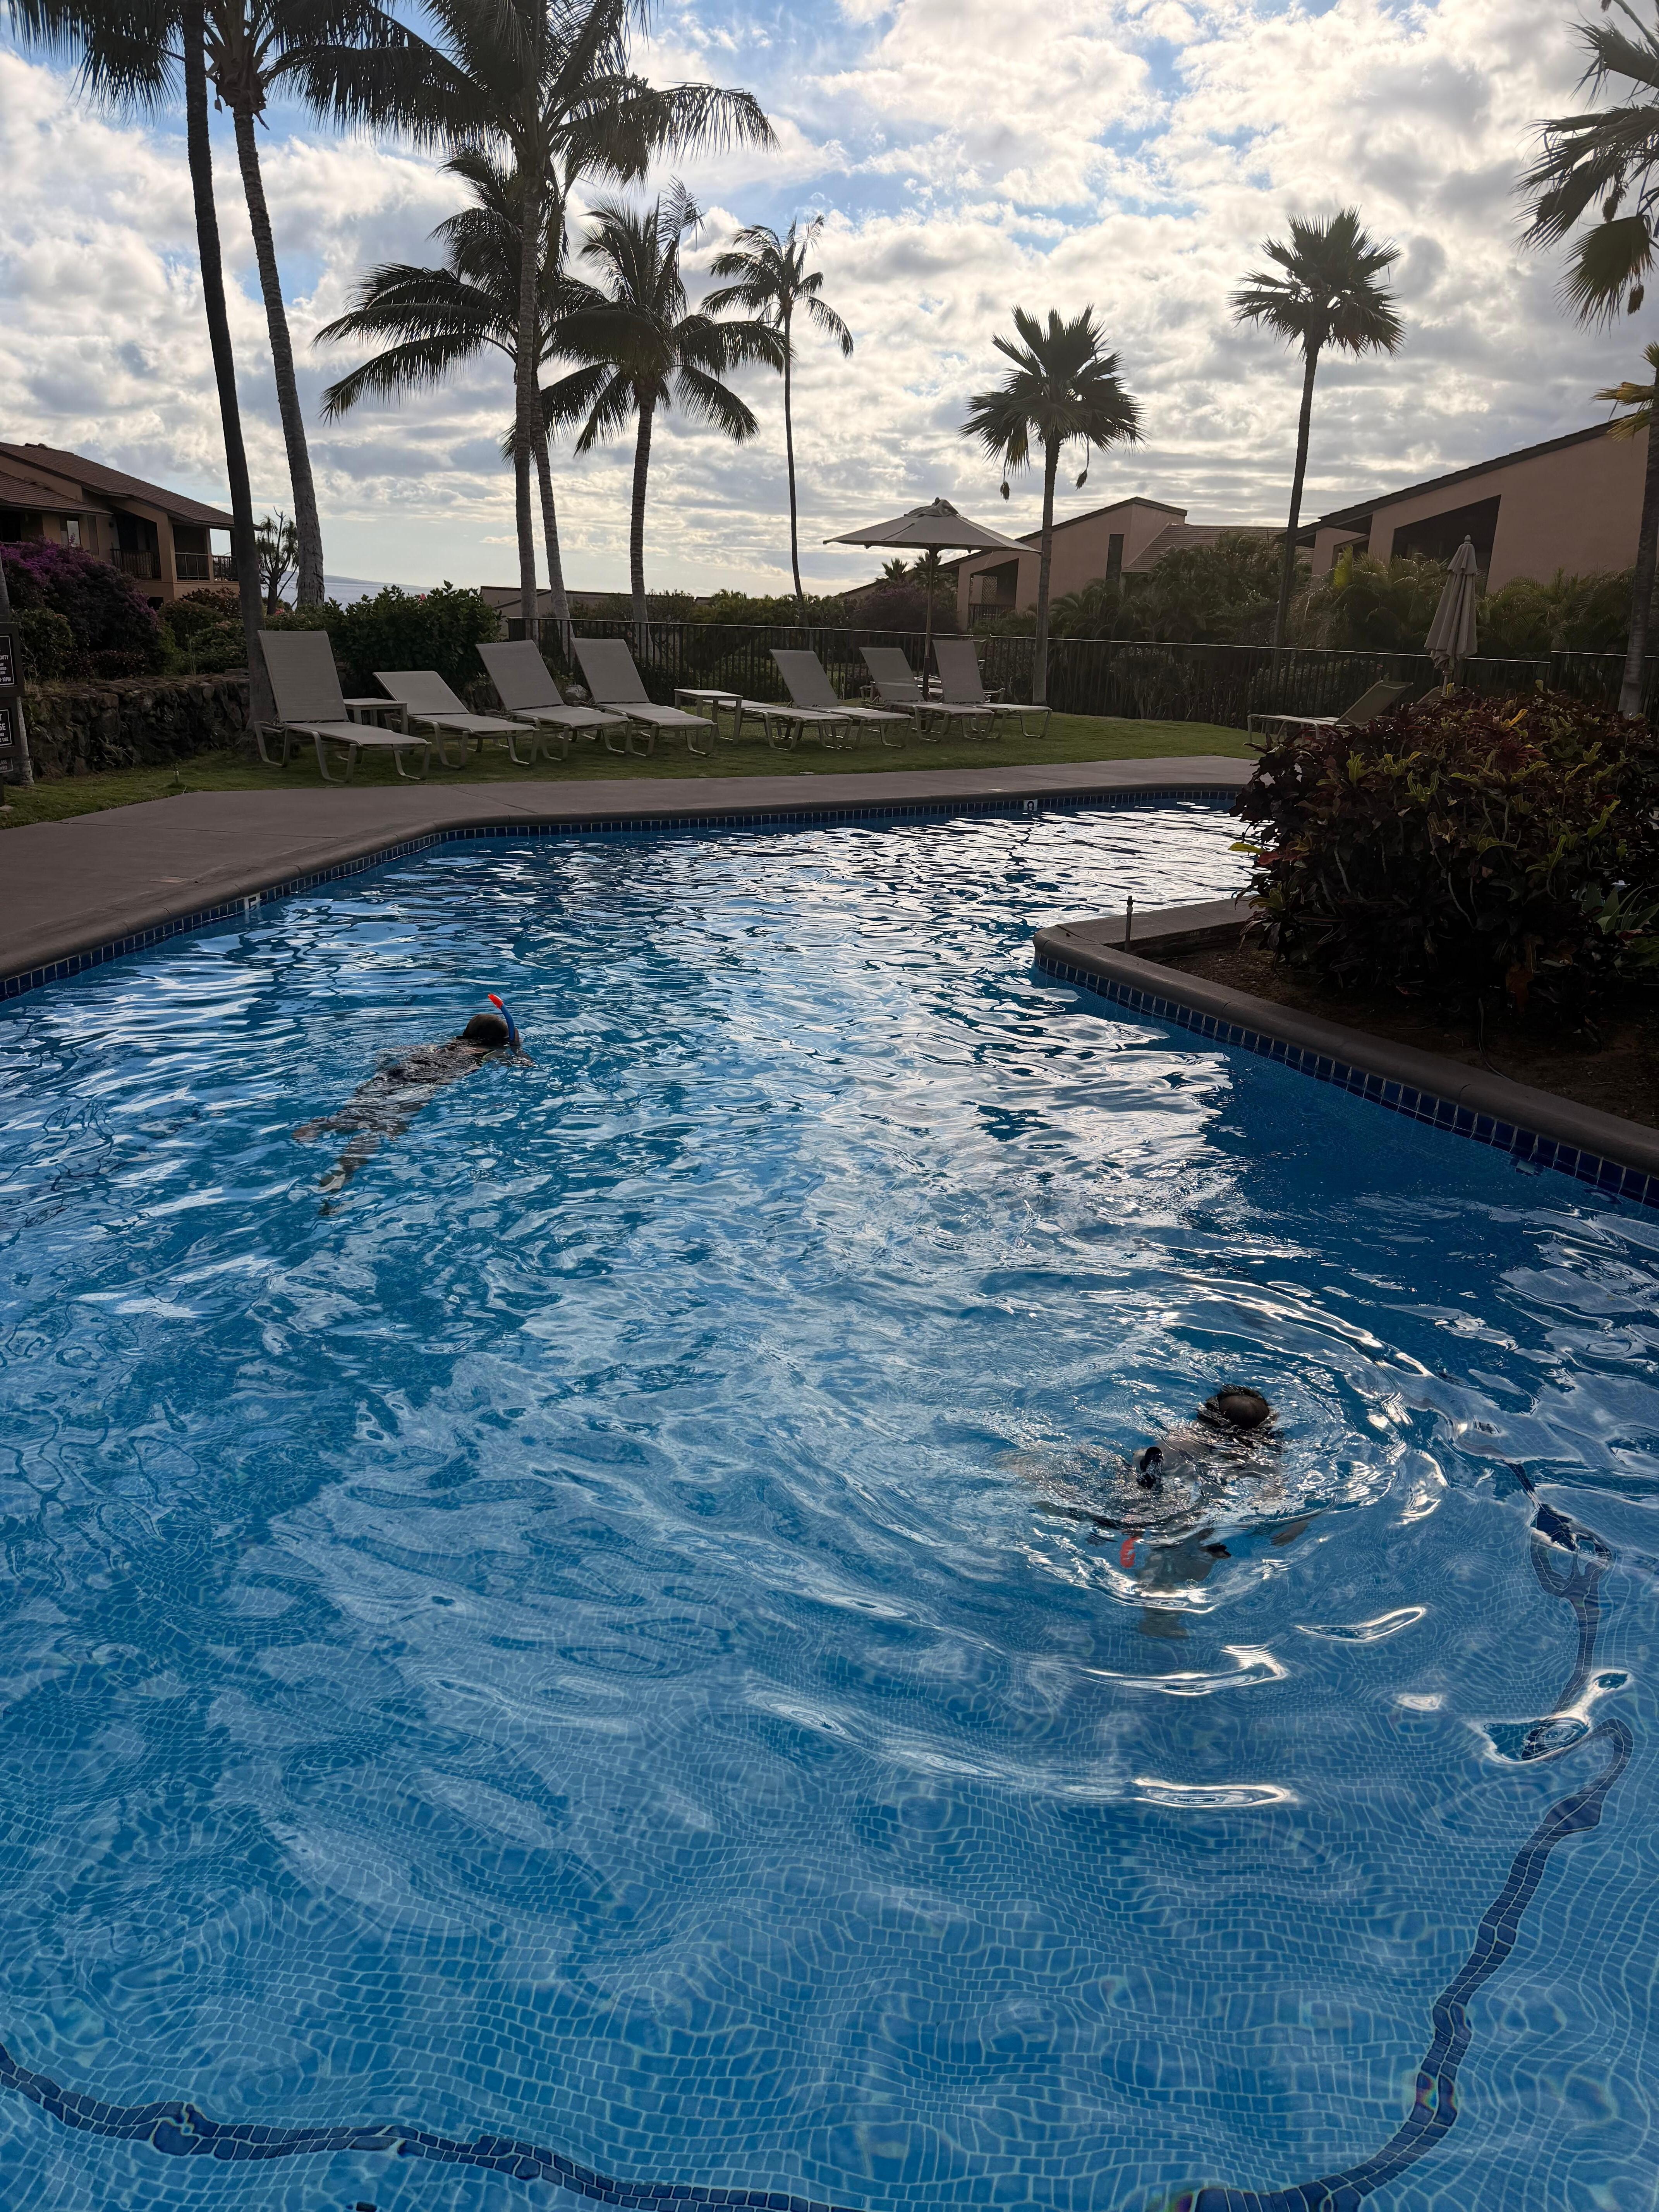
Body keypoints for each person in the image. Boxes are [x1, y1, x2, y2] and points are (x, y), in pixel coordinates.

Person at [294, 1000, 523, 1195]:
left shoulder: (438, 1046)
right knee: (382, 1128)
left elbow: (389, 1053)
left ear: (466, 1033)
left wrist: (381, 1068)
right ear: (498, 1042)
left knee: (358, 1111)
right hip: (421, 1085)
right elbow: (522, 1064)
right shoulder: (488, 1053)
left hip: (394, 1075)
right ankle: (345, 1168)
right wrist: (516, 1047)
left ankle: (322, 1125)